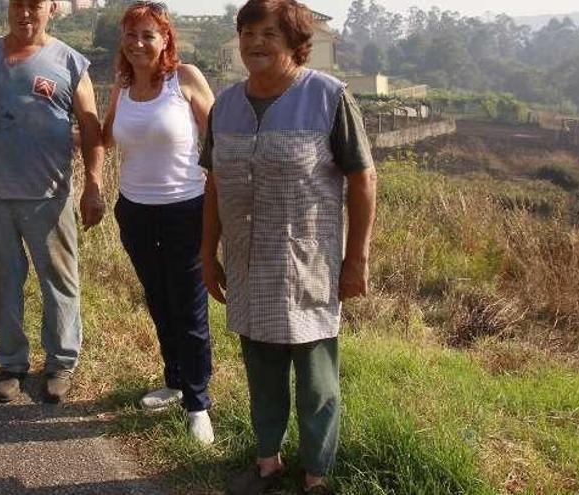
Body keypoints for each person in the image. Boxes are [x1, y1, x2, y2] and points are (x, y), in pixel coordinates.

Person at [200, 0, 377, 492]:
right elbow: (214, 184)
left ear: (296, 44)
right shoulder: (225, 105)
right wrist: (206, 253)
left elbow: (362, 179)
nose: (255, 43)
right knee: (262, 369)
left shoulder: (326, 97)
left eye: (269, 34)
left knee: (317, 380)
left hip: (308, 265)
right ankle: (267, 464)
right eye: (247, 32)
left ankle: (316, 475)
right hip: (247, 261)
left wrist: (356, 257)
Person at [0, 0, 104, 404]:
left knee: (60, 284)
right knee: (1, 283)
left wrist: (94, 185)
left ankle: (61, 364)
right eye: (18, 4)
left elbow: (90, 125)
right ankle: (11, 364)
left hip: (48, 198)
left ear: (51, 9)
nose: (25, 13)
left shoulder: (70, 63)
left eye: (35, 5)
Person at [101, 1, 216, 444]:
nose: (138, 43)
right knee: (158, 299)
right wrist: (46, 130)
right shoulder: (123, 86)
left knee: (188, 305)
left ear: (166, 39)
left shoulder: (183, 80)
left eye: (148, 35)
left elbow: (218, 137)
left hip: (185, 209)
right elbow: (106, 136)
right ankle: (174, 380)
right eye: (131, 35)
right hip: (134, 211)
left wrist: (223, 197)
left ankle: (198, 403)